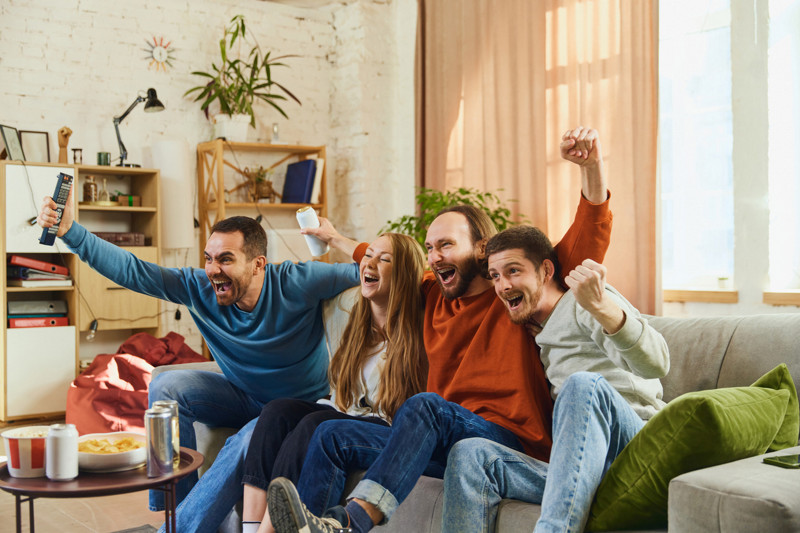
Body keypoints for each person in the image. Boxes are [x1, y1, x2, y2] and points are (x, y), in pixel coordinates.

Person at [265, 127, 614, 533]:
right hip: (443, 438)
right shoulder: (433, 295)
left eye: (445, 245)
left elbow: (587, 237)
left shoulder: (515, 290)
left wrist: (592, 169)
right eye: (430, 248)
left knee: (425, 404)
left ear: (481, 248)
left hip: (510, 442)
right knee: (329, 435)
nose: (434, 256)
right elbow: (376, 260)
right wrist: (333, 237)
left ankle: (354, 521)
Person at [36, 191, 360, 521]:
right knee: (166, 386)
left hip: (296, 408)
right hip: (243, 394)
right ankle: (179, 508)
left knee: (245, 441)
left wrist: (333, 238)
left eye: (226, 259)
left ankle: (181, 529)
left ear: (258, 263)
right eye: (209, 258)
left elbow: (371, 270)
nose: (213, 270)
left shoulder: (298, 281)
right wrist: (70, 232)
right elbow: (134, 271)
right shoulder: (200, 288)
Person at [442, 225, 669, 533]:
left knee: (582, 384)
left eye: (513, 271)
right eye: (495, 276)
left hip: (635, 447)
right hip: (583, 468)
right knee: (470, 454)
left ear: (545, 270)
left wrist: (601, 307)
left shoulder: (584, 301)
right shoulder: (532, 328)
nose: (503, 285)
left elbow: (657, 363)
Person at [239, 232, 427, 533]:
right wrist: (337, 239)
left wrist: (336, 238)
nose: (370, 262)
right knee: (277, 412)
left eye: (385, 259)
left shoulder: (421, 329)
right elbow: (341, 399)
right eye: (369, 255)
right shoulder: (357, 323)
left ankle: (269, 531)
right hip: (348, 413)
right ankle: (250, 528)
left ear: (404, 274)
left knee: (315, 424)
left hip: (388, 425)